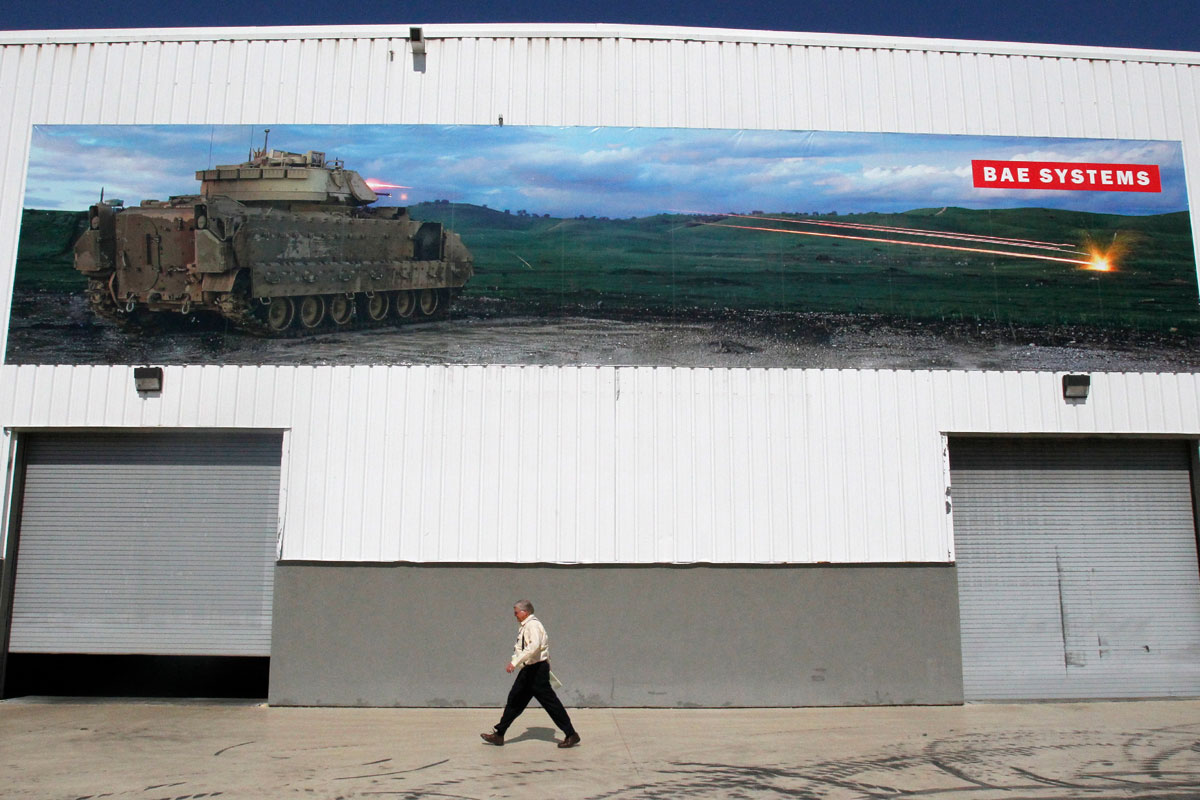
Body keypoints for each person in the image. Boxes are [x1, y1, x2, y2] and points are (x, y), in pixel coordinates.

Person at [480, 599, 581, 748]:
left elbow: (533, 647)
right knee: (515, 699)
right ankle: (499, 734)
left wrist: (514, 663)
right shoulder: (525, 626)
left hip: (537, 671)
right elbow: (520, 648)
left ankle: (571, 734)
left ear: (524, 612)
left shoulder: (533, 625)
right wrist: (516, 661)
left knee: (550, 703)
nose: (514, 615)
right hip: (528, 670)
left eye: (516, 612)